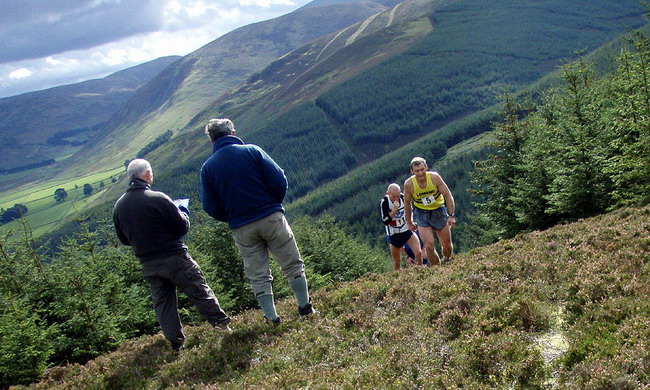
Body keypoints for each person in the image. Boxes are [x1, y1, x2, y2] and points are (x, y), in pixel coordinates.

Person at [199, 118, 314, 324]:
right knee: (292, 264)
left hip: (242, 227)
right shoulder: (252, 151)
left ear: (212, 141)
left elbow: (209, 205)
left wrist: (231, 217)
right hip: (271, 217)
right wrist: (272, 205)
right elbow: (279, 179)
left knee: (258, 275)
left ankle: (272, 318)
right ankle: (305, 307)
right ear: (233, 133)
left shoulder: (208, 168)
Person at [113, 159, 231, 352]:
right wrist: (183, 211)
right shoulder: (158, 198)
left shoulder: (120, 206)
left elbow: (124, 239)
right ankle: (222, 327)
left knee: (163, 304)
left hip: (148, 263)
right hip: (174, 257)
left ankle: (176, 343)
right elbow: (181, 227)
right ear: (148, 174)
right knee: (199, 291)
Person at [404, 156, 456, 264]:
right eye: (417, 171)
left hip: (438, 211)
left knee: (446, 246)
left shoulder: (434, 178)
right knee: (428, 246)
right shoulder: (409, 184)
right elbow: (407, 204)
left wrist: (451, 215)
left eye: (422, 169)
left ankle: (447, 259)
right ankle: (437, 269)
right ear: (412, 171)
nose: (420, 173)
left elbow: (448, 195)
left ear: (426, 167)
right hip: (421, 214)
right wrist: (409, 222)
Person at [381, 183, 423, 270]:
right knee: (397, 262)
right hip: (393, 233)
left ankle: (420, 272)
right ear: (388, 193)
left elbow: (410, 209)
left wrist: (410, 222)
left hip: (406, 229)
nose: (396, 198)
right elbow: (385, 221)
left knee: (418, 252)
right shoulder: (384, 202)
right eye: (394, 196)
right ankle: (397, 280)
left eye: (398, 195)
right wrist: (395, 210)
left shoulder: (403, 197)